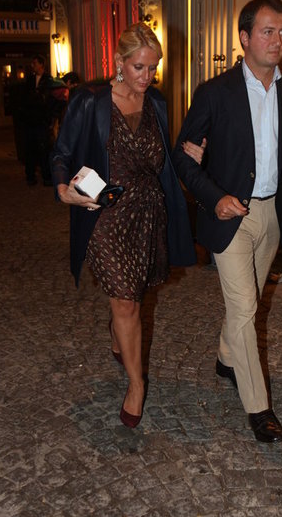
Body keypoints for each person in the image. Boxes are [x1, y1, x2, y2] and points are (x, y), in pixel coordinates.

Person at [173, 0, 282, 444]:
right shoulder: (214, 93)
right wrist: (214, 199)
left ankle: (226, 357)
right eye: (268, 31)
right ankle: (259, 408)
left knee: (247, 304)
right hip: (230, 215)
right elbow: (183, 157)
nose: (277, 40)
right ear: (245, 37)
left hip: (271, 216)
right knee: (245, 307)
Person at [51, 22, 196, 428]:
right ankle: (136, 384)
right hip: (106, 214)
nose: (147, 77)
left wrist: (192, 158)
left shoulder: (157, 103)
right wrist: (63, 189)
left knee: (132, 294)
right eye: (139, 67)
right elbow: (61, 153)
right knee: (127, 301)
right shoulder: (90, 101)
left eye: (153, 68)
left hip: (148, 211)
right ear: (119, 61)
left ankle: (118, 332)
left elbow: (164, 159)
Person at [21, 54, 56, 186]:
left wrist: (49, 119)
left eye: (35, 63)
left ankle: (46, 176)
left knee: (44, 149)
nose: (33, 66)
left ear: (41, 64)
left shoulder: (48, 80)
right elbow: (25, 98)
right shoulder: (30, 80)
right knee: (30, 149)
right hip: (30, 120)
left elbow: (49, 101)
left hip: (42, 120)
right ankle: (30, 176)